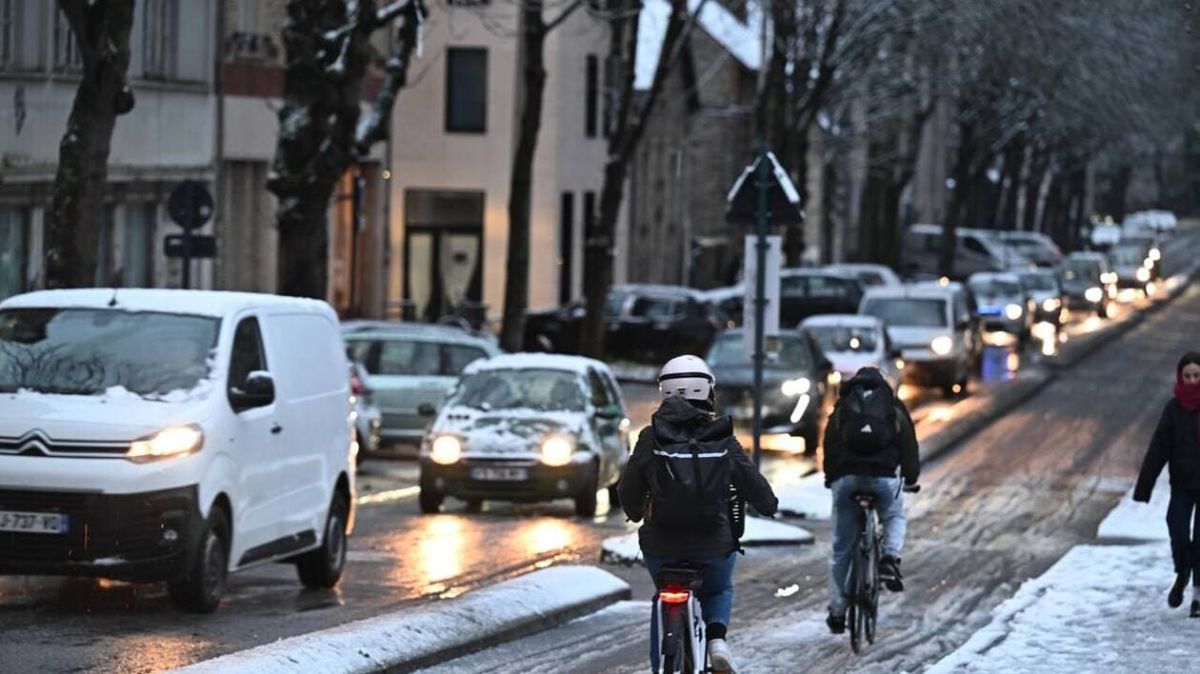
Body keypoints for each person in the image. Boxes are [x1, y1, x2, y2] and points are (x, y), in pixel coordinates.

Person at [619, 355, 778, 674]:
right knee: (719, 589)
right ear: (708, 391)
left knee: (662, 596)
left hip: (660, 548)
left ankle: (660, 667)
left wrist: (635, 512)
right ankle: (717, 640)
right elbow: (754, 485)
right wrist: (769, 506)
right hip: (713, 547)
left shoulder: (652, 437)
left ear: (664, 391)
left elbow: (629, 488)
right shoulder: (721, 434)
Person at [822, 366, 919, 634]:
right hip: (884, 478)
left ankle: (838, 612)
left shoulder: (842, 408)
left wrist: (832, 477)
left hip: (847, 480)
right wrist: (910, 478)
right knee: (894, 515)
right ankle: (890, 557)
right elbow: (909, 448)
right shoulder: (893, 407)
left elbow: (829, 445)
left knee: (842, 549)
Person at [1133, 352, 1200, 616]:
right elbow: (1158, 448)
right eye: (1188, 376)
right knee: (1179, 532)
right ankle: (1182, 572)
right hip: (1182, 485)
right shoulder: (1174, 409)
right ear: (1180, 377)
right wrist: (1144, 487)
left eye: (1197, 376)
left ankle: (1197, 596)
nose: (1193, 381)